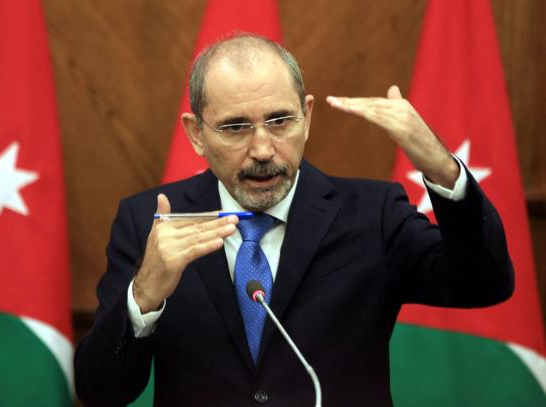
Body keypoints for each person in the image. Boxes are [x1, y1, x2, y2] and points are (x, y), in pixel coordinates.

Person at [74, 33, 513, 406]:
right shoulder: (149, 223)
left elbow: (485, 283)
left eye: (280, 121)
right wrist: (145, 296)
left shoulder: (372, 215)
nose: (263, 149)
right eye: (235, 127)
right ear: (196, 134)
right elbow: (98, 392)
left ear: (307, 117)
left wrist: (441, 168)